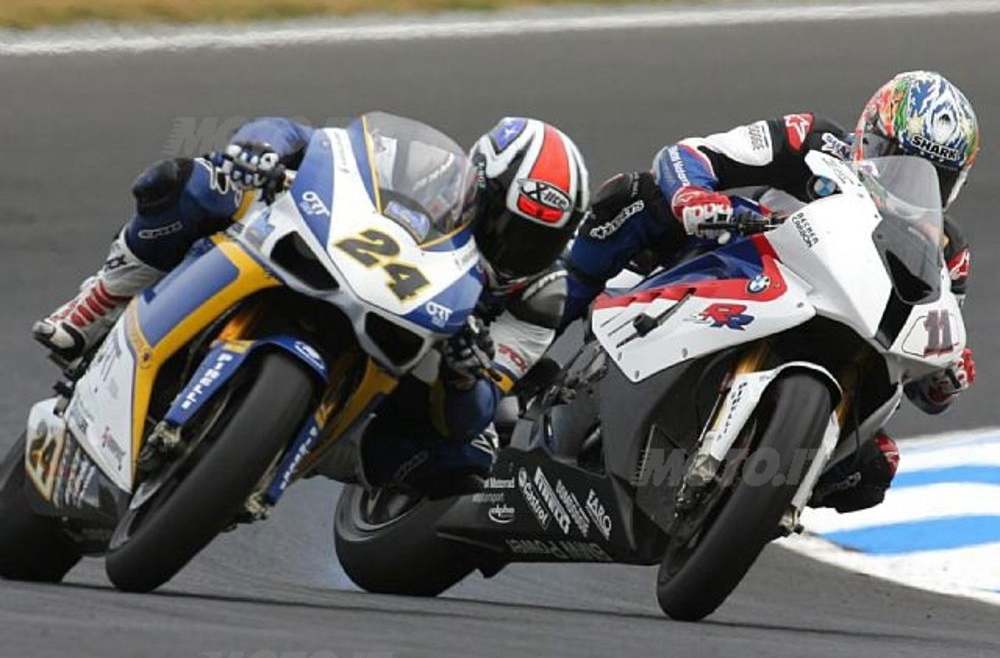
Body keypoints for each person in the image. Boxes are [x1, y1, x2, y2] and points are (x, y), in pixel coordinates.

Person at [33, 115, 589, 497]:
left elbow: (480, 406)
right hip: (340, 259)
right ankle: (98, 305)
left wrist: (467, 378)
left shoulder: (541, 296)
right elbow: (312, 138)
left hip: (404, 368)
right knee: (189, 182)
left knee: (471, 457)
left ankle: (280, 456)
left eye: (535, 241)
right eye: (505, 225)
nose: (512, 247)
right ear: (478, 183)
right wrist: (262, 147)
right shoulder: (425, 166)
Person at [563, 70, 979, 512]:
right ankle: (541, 322)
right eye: (897, 161)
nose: (908, 185)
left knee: (877, 466)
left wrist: (945, 376)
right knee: (634, 196)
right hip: (734, 267)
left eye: (933, 177)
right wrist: (692, 195)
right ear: (868, 139)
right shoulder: (813, 142)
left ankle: (751, 505)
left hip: (841, 340)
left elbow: (921, 376)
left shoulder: (945, 254)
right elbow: (691, 154)